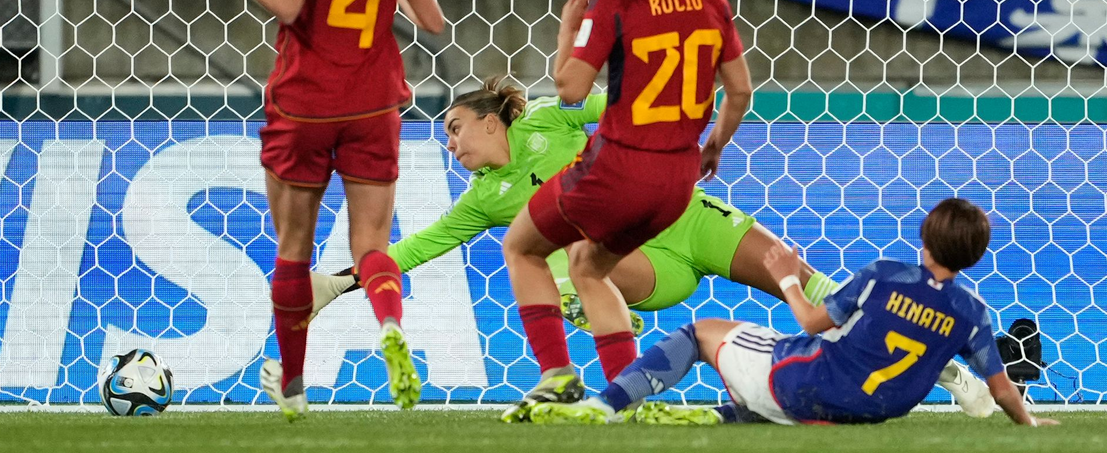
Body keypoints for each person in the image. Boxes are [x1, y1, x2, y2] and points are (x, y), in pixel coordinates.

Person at [306, 79, 996, 419]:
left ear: (492, 121)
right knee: (564, 250)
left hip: (688, 215)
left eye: (456, 128)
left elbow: (617, 99)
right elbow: (416, 247)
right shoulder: (483, 199)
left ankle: (946, 372)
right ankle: (592, 310)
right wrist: (337, 282)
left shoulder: (548, 120)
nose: (450, 143)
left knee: (811, 285)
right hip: (647, 264)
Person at [162, 0, 445, 418]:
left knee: (293, 247)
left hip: (306, 103)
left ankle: (292, 386)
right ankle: (390, 325)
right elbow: (432, 21)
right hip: (374, 103)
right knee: (371, 243)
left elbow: (289, 5)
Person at [496, 0, 752, 424]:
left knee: (521, 247)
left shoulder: (614, 4)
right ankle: (625, 399)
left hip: (616, 169)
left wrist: (569, 30)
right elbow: (741, 90)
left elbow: (570, 90)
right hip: (678, 180)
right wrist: (715, 144)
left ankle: (556, 375)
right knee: (589, 266)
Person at [531, 199, 1058, 428]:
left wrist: (786, 275)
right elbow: (1004, 391)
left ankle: (603, 406)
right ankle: (720, 417)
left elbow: (809, 321)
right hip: (873, 411)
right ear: (976, 255)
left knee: (699, 334)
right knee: (809, 371)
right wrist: (1028, 422)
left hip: (810, 385)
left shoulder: (885, 275)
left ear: (924, 236)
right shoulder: (972, 312)